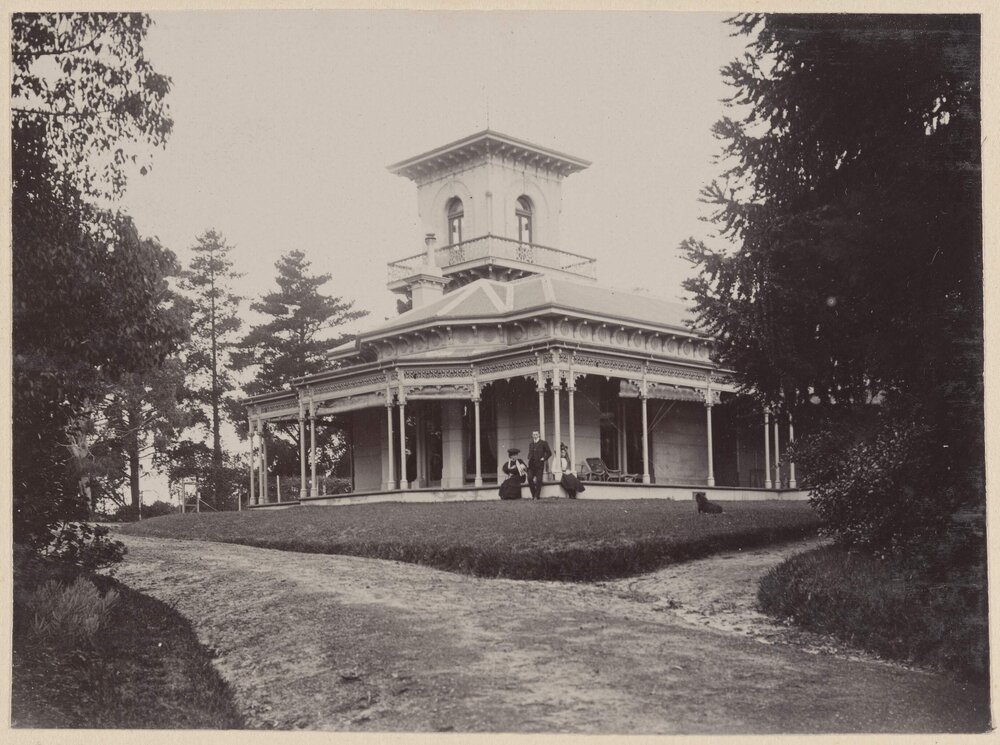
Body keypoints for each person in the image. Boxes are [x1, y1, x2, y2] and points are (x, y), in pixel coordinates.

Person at [526, 430, 552, 500]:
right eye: (534, 434)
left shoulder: (543, 443)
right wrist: (529, 457)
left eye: (536, 434)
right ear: (532, 435)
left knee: (539, 480)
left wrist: (544, 458)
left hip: (539, 465)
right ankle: (534, 494)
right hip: (531, 465)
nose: (535, 436)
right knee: (529, 478)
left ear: (539, 435)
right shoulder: (531, 444)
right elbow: (530, 453)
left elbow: (549, 453)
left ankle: (536, 496)